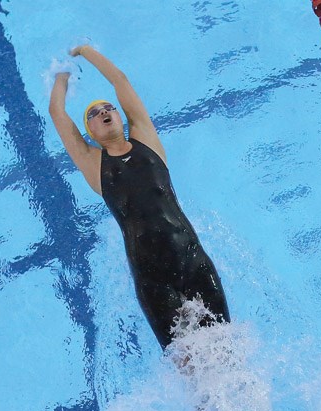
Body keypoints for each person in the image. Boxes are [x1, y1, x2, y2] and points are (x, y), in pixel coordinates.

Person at [48, 45, 230, 350]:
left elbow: (120, 81)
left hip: (194, 261)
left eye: (108, 108)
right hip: (152, 281)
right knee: (186, 362)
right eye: (93, 113)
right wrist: (62, 72)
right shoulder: (93, 165)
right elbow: (57, 112)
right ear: (89, 132)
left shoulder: (147, 140)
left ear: (121, 117)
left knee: (226, 347)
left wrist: (86, 51)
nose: (103, 111)